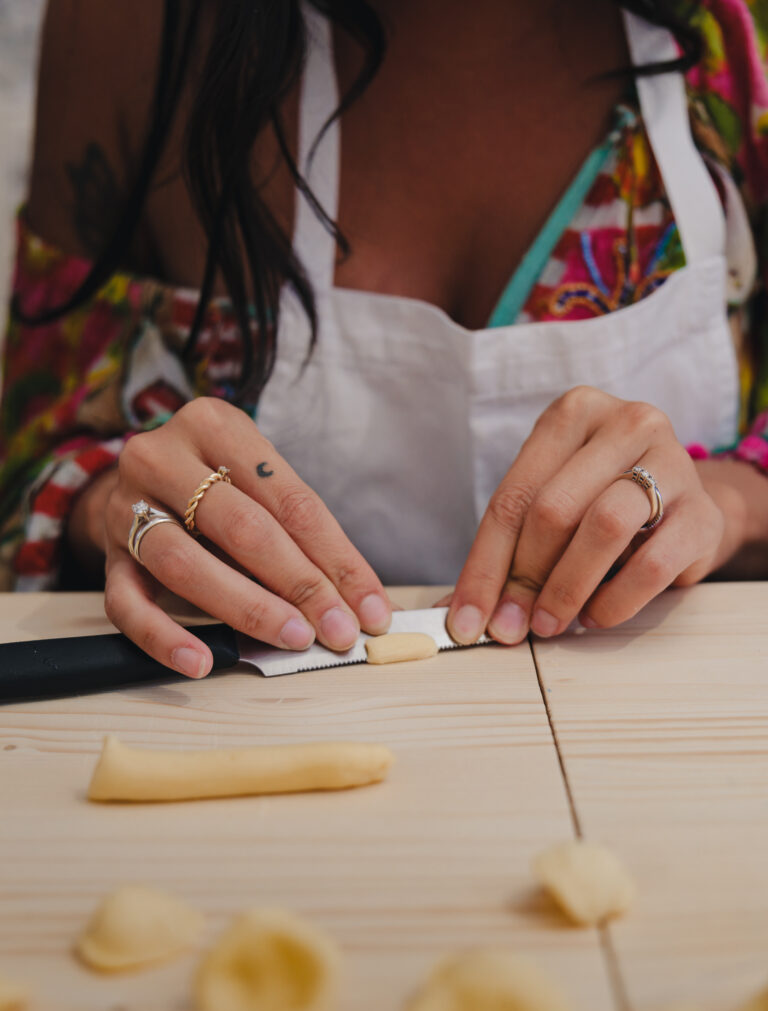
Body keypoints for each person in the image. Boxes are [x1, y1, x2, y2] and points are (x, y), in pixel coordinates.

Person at [2, 0, 768, 680]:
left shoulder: (741, 37)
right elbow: (34, 446)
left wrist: (734, 502)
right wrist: (119, 505)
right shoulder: (137, 25)